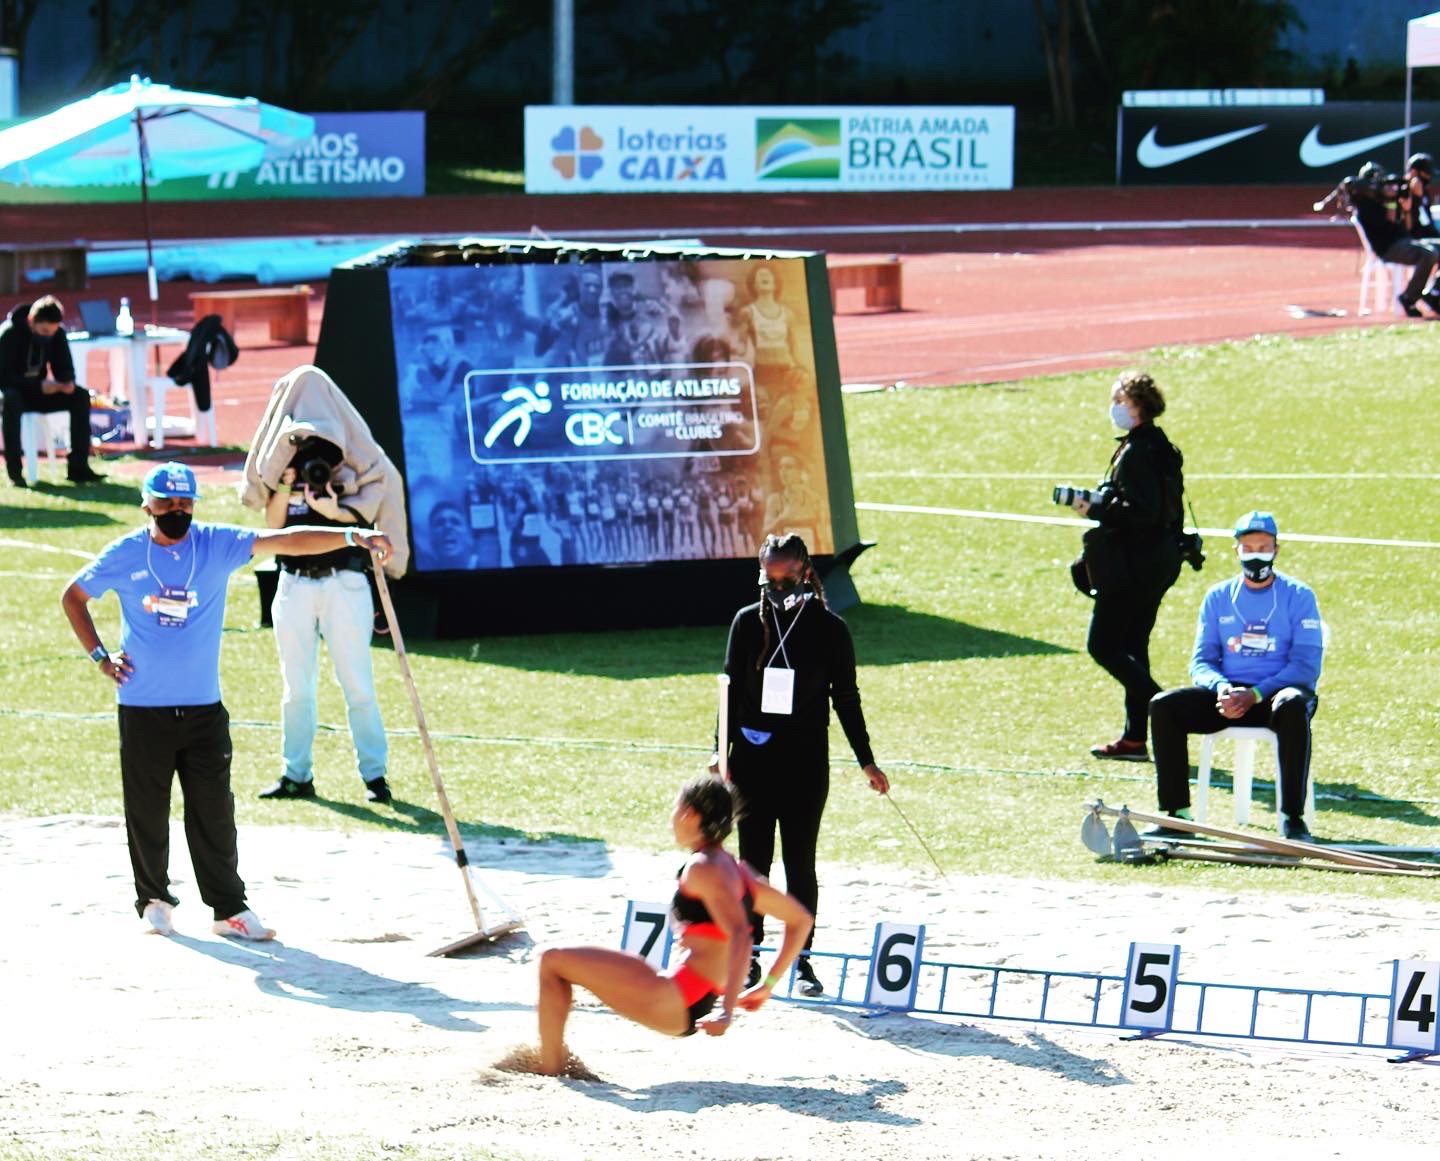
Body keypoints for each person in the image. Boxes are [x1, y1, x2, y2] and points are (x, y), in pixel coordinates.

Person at [59, 462, 393, 938]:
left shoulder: (215, 544)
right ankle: (154, 900)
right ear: (146, 504)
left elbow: (287, 540)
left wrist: (354, 538)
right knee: (147, 810)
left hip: (203, 709)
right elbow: (73, 596)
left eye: (184, 504)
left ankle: (228, 909)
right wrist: (100, 656)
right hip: (142, 707)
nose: (176, 511)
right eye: (166, 504)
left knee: (214, 811)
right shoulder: (125, 553)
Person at [532, 776, 813, 1076]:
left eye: (674, 808)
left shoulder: (703, 868)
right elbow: (800, 920)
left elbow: (741, 938)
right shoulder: (738, 870)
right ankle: (552, 1063)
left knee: (552, 960)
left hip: (675, 998)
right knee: (563, 962)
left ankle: (550, 1070)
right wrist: (767, 986)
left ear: (689, 814)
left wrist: (727, 1011)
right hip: (689, 996)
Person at [713, 533, 888, 997]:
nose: (777, 587)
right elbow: (727, 690)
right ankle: (749, 953)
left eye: (785, 577)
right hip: (751, 762)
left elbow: (846, 699)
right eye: (769, 578)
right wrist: (718, 751)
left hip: (805, 764)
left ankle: (803, 958)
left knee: (800, 862)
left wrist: (866, 761)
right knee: (753, 862)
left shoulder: (830, 629)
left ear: (805, 571)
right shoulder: (746, 622)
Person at [1147, 510, 1325, 842]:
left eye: (1263, 546)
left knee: (1291, 704)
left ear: (1276, 549)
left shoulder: (1299, 596)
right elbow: (1201, 661)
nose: (1256, 554)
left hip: (1277, 697)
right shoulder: (1217, 597)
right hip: (1229, 697)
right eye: (1248, 547)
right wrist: (1222, 689)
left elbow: (1305, 667)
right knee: (1164, 705)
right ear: (1236, 552)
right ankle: (1176, 817)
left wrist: (1255, 694)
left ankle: (1292, 819)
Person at [256, 435, 390, 804]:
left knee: (357, 682)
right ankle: (296, 774)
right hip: (294, 581)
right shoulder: (284, 475)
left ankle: (375, 776)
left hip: (342, 581)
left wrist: (329, 501)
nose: (315, 467)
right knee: (296, 685)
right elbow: (273, 524)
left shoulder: (351, 475)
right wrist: (287, 480)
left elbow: (362, 521)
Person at [1073, 371, 1186, 763]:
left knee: (1103, 645)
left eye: (1120, 400)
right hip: (1157, 561)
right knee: (1134, 648)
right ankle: (1136, 737)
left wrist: (1095, 507)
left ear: (1137, 405)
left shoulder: (1138, 451)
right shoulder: (1158, 446)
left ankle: (1167, 709)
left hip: (1131, 565)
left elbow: (1143, 512)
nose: (1115, 407)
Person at [1, 295, 105, 486]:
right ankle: (15, 473)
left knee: (80, 396)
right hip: (14, 393)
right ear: (31, 321)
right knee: (11, 399)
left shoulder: (56, 334)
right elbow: (4, 377)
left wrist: (66, 383)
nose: (47, 336)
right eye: (44, 331)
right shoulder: (9, 334)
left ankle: (78, 467)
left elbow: (64, 366)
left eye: (51, 332)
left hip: (41, 392)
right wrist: (36, 385)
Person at [1351, 165, 1440, 317]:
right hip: (1389, 248)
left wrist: (1405, 207)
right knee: (1429, 254)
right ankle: (1409, 297)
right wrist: (1389, 202)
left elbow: (1405, 227)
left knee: (1435, 248)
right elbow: (1386, 227)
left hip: (1404, 241)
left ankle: (1434, 292)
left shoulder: (1386, 201)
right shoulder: (1365, 205)